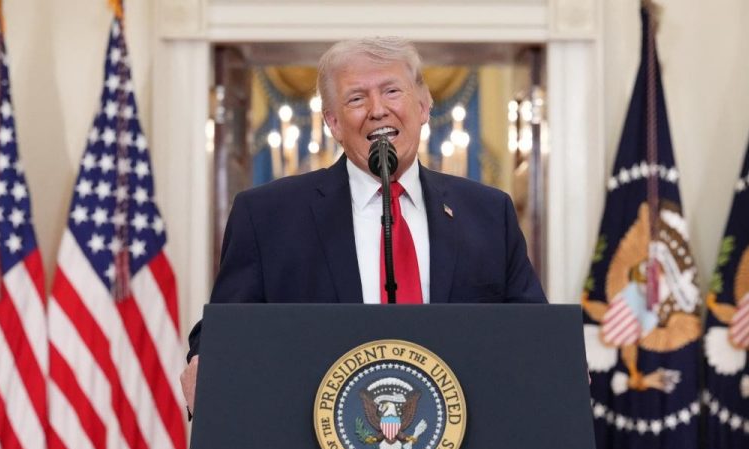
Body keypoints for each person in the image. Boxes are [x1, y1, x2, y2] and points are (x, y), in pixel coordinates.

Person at [180, 37, 546, 414]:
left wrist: (557, 360)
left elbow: (532, 330)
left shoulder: (487, 213)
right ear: (334, 123)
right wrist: (205, 359)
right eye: (356, 98)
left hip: (462, 445)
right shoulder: (267, 216)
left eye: (392, 91)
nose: (377, 110)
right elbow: (225, 330)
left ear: (424, 105)